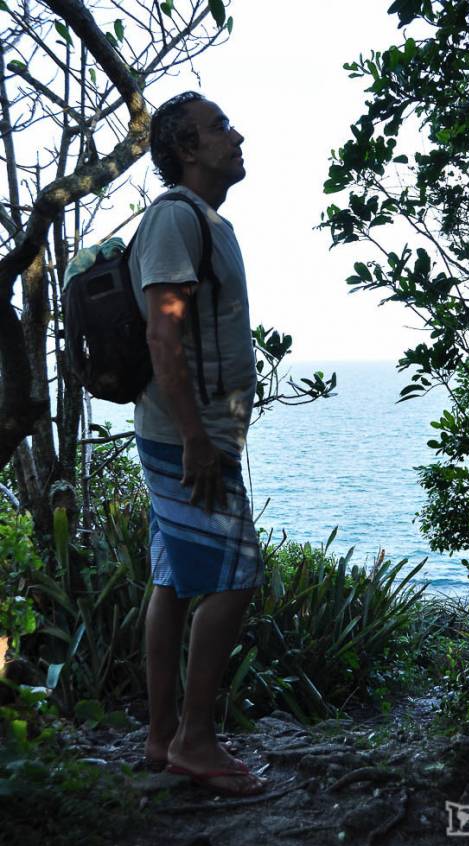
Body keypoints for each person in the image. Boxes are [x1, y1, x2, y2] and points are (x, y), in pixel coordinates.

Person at [129, 92, 266, 796]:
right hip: (188, 437)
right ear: (186, 148)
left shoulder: (204, 222)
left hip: (190, 434)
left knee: (175, 581)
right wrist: (195, 440)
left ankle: (161, 739)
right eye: (219, 127)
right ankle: (195, 741)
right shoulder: (176, 220)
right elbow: (163, 336)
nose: (236, 135)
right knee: (236, 576)